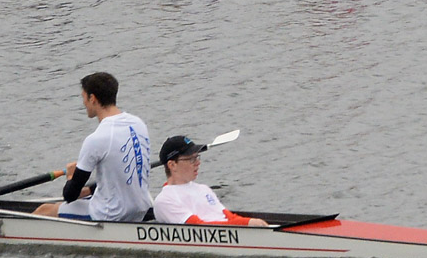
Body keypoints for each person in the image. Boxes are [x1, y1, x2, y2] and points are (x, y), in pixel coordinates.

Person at [34, 73, 151, 222]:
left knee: (45, 210)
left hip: (111, 215)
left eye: (84, 97)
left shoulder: (96, 139)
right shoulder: (139, 124)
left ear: (92, 98)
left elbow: (69, 195)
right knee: (79, 199)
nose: (83, 103)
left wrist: (71, 175)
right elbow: (120, 177)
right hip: (142, 207)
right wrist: (88, 190)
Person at [148, 134, 265, 226]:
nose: (198, 163)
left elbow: (231, 218)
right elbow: (198, 227)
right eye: (191, 159)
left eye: (197, 157)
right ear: (172, 165)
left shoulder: (203, 189)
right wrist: (247, 224)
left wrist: (251, 222)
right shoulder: (165, 200)